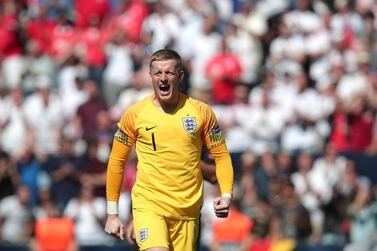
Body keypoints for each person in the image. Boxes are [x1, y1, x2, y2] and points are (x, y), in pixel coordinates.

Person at [104, 49, 234, 251]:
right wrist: (112, 213)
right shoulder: (135, 114)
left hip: (187, 212)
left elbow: (222, 156)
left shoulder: (201, 112)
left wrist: (226, 195)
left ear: (180, 76)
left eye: (169, 73)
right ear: (150, 77)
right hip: (150, 205)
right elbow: (116, 161)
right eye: (158, 73)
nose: (163, 78)